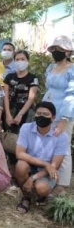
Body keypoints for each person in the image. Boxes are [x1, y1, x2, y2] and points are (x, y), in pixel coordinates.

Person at [15, 102, 68, 213]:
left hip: (47, 172)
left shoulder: (61, 136)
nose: (41, 116)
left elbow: (54, 166)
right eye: (38, 113)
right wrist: (45, 164)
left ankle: (43, 195)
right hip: (33, 165)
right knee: (20, 165)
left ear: (53, 117)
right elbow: (19, 153)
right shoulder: (26, 128)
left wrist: (32, 178)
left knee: (41, 188)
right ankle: (26, 198)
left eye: (45, 114)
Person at [42, 35, 74, 195]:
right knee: (49, 145)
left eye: (60, 49)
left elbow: (72, 95)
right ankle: (50, 178)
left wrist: (64, 119)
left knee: (63, 145)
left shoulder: (72, 69)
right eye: (54, 49)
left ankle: (62, 184)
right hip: (47, 110)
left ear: (67, 52)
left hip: (63, 112)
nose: (56, 52)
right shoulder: (50, 67)